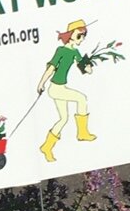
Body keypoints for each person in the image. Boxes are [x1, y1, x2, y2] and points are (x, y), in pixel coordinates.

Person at [35, 19, 95, 164]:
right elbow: (51, 68)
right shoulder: (61, 51)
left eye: (83, 36)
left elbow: (86, 69)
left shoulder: (75, 52)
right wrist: (41, 83)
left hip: (61, 88)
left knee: (63, 119)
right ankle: (82, 132)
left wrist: (87, 66)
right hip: (56, 88)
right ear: (70, 35)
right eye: (79, 36)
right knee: (81, 98)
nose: (82, 39)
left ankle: (46, 146)